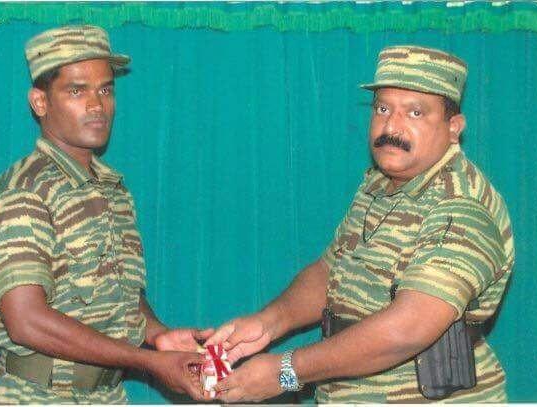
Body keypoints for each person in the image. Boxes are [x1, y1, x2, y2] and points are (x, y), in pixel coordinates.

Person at [205, 45, 514, 403]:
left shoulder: (459, 206)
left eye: (415, 112)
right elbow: (331, 271)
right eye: (383, 109)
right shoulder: (379, 184)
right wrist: (269, 322)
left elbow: (409, 329)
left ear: (453, 128)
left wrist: (286, 371)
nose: (391, 126)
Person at [0, 25, 211, 404]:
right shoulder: (23, 192)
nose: (97, 105)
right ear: (40, 102)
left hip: (107, 395)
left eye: (105, 90)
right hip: (36, 396)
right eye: (76, 91)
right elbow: (26, 322)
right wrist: (148, 362)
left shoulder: (111, 190)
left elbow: (120, 293)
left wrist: (158, 335)